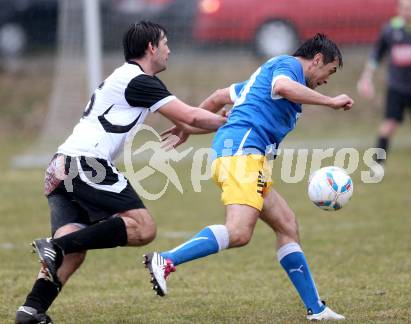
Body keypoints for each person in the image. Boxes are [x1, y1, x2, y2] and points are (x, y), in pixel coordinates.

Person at [15, 21, 226, 324]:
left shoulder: (131, 79)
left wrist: (203, 125)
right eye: (165, 42)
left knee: (74, 248)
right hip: (86, 163)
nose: (169, 49)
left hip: (61, 166)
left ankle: (30, 310)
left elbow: (189, 122)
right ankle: (54, 246)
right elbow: (192, 114)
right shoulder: (139, 80)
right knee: (143, 228)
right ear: (151, 47)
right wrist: (230, 121)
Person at [145, 33, 354, 321]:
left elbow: (220, 96)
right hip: (242, 154)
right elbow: (283, 86)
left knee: (287, 225)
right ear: (317, 59)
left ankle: (317, 310)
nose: (327, 80)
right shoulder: (286, 67)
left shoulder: (266, 81)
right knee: (239, 232)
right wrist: (330, 102)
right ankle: (166, 259)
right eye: (329, 71)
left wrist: (186, 128)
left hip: (248, 158)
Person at [357, 0, 411, 181]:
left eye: (410, 8)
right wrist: (366, 77)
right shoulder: (389, 29)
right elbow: (376, 56)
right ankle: (378, 165)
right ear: (398, 10)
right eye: (403, 8)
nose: (406, 12)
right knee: (388, 126)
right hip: (397, 87)